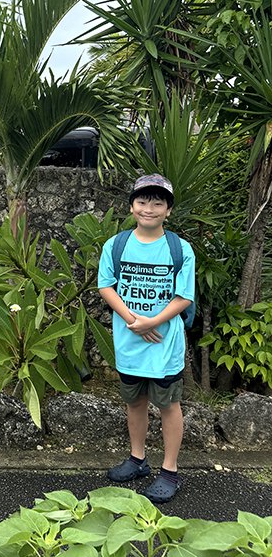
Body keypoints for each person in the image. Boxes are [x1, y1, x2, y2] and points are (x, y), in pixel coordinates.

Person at [97, 173, 195, 503]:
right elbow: (106, 285)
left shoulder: (180, 249)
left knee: (169, 405)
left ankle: (169, 471)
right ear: (131, 206)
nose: (148, 208)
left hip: (165, 345)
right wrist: (132, 320)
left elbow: (184, 296)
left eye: (157, 202)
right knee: (134, 401)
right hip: (130, 343)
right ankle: (137, 459)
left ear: (168, 210)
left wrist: (152, 320)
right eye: (142, 201)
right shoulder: (117, 245)